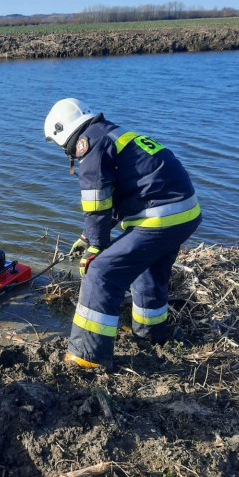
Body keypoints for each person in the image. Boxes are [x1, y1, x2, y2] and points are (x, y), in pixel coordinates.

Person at [44, 98, 202, 369]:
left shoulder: (90, 144)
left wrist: (96, 246)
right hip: (184, 212)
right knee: (148, 267)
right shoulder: (110, 134)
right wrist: (87, 237)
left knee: (100, 272)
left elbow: (95, 202)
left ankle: (86, 356)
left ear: (63, 134)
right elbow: (118, 197)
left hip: (161, 215)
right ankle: (150, 334)